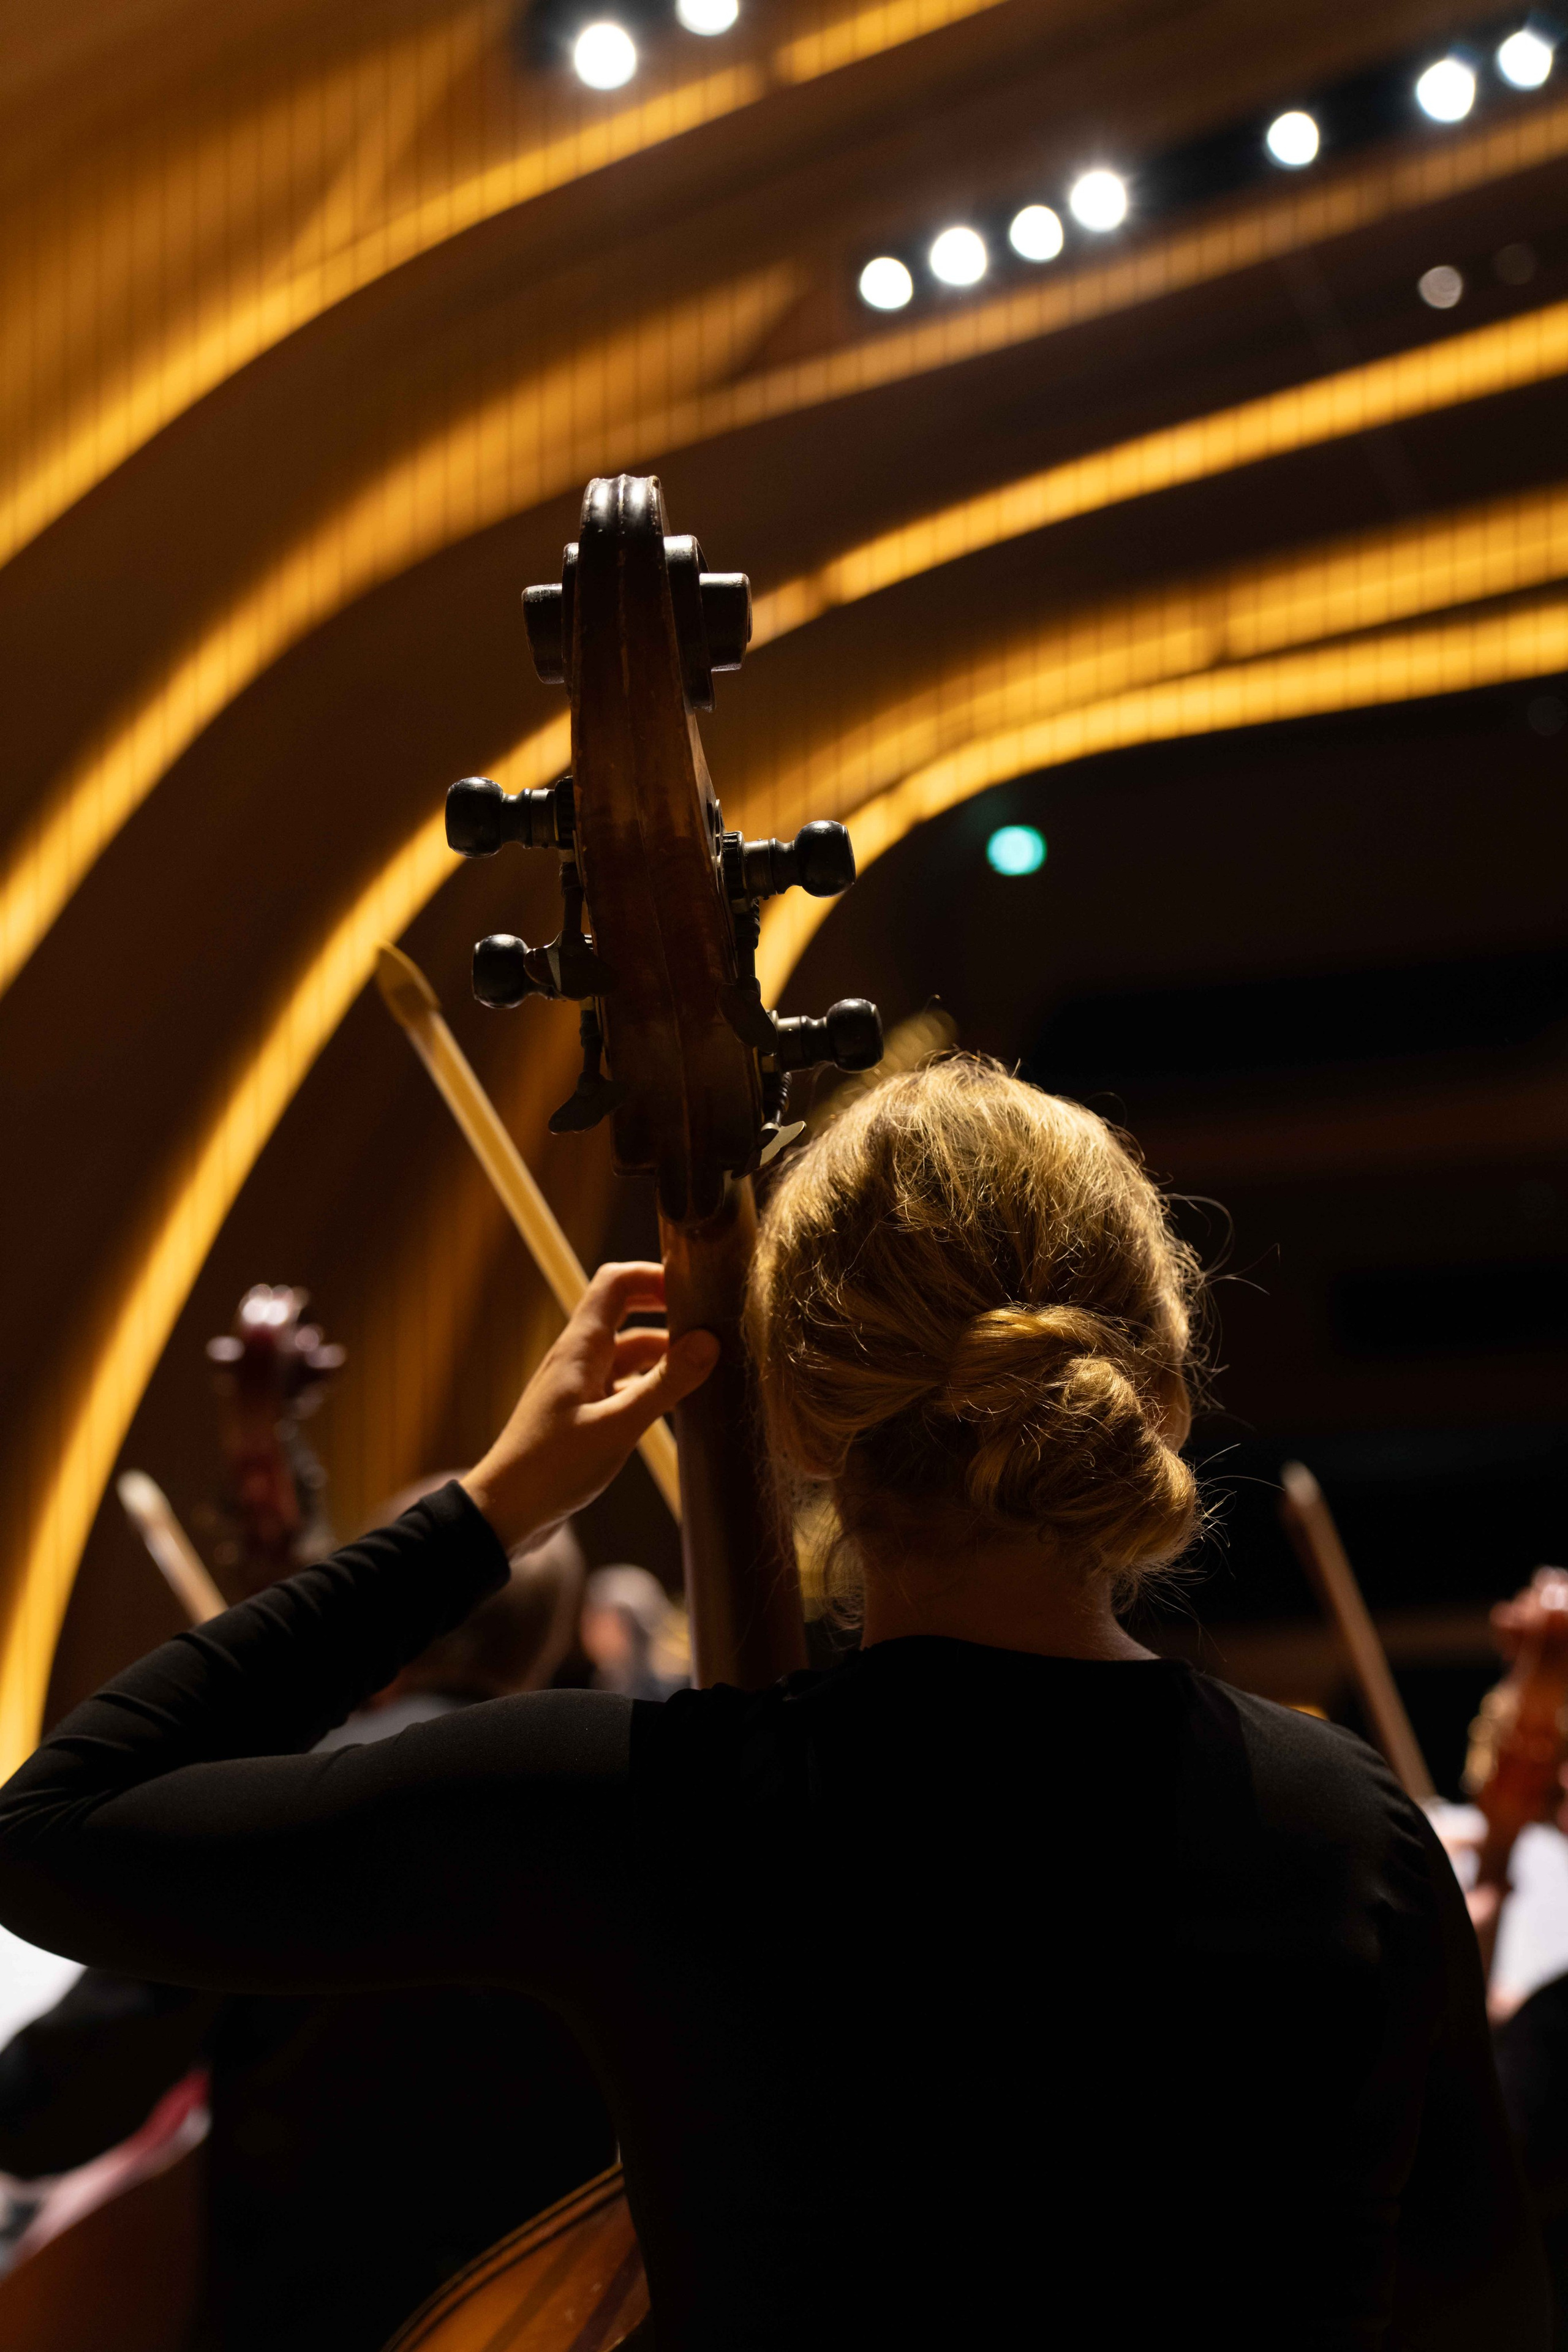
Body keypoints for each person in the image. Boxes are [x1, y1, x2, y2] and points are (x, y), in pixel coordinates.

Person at [0, 1060, 1547, 2348]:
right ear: (1157, 1388)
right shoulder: (1351, 1831)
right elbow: (1479, 2311)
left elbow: (58, 1831)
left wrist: (492, 1507)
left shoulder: (655, 1812)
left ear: (798, 1424)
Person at [0, 1521, 613, 2351]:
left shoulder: (287, 1802)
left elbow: (68, 2102)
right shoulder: (610, 1814)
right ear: (543, 1645)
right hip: (551, 2324)